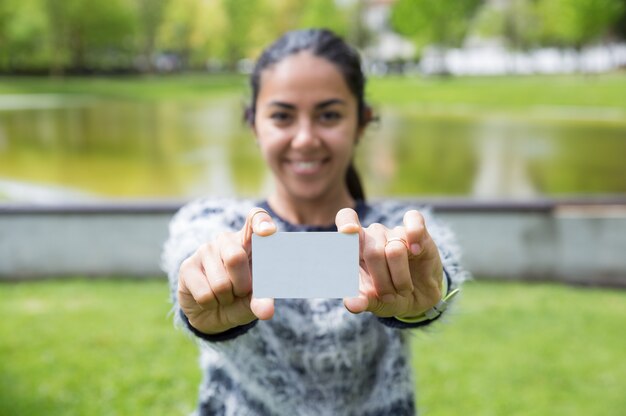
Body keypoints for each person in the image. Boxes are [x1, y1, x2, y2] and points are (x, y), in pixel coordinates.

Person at [162, 28, 465, 415]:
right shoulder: (216, 223)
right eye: (282, 116)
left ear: (361, 123)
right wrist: (200, 291)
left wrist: (426, 287)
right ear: (254, 124)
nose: (305, 139)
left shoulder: (394, 226)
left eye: (329, 115)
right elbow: (188, 259)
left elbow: (441, 270)